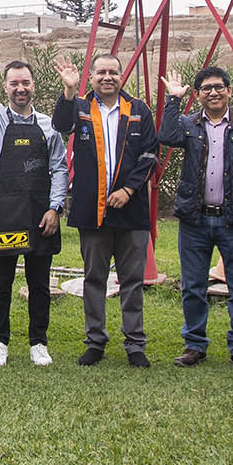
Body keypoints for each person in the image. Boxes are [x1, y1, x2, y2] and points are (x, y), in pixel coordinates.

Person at [157, 66, 233, 370]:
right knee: (193, 286)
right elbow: (166, 135)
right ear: (198, 95)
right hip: (194, 220)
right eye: (206, 88)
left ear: (230, 91)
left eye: (219, 87)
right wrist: (173, 99)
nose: (213, 92)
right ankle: (194, 345)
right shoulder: (189, 124)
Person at [52, 53, 157, 367]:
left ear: (121, 76)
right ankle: (95, 342)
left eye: (113, 72)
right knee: (94, 279)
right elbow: (60, 124)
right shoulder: (80, 106)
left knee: (132, 281)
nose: (107, 77)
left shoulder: (138, 110)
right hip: (92, 210)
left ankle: (135, 344)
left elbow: (150, 155)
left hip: (131, 211)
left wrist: (128, 190)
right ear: (92, 77)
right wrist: (69, 90)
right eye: (101, 72)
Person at [0, 32, 68, 366]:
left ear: (33, 86)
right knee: (1, 281)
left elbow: (60, 168)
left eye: (25, 82)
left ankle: (38, 343)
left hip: (40, 215)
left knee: (39, 283)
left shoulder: (49, 126)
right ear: (5, 88)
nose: (20, 88)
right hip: (4, 215)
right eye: (14, 83)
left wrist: (55, 208)